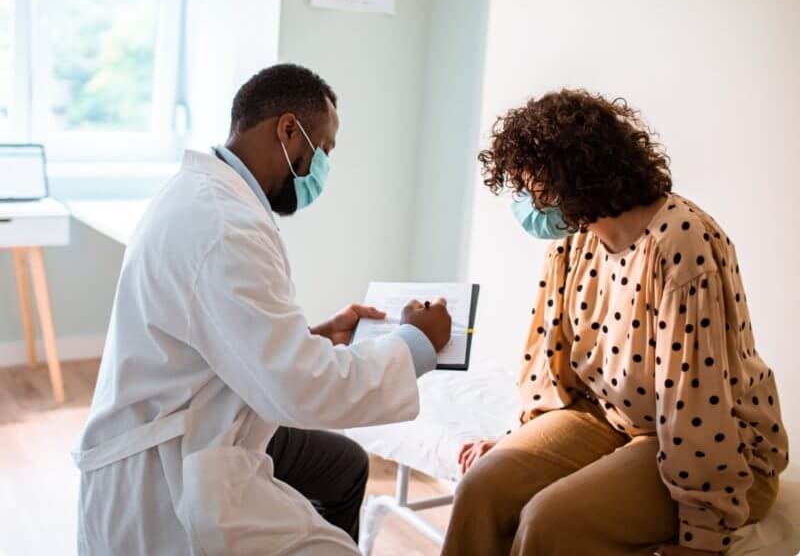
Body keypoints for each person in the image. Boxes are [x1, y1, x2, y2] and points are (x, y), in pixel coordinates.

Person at [73, 64, 452, 555]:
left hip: (206, 413)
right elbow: (301, 389)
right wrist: (416, 342)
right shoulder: (225, 226)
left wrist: (315, 336)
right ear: (288, 131)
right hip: (170, 464)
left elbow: (224, 333)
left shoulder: (204, 195)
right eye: (324, 151)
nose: (322, 171)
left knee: (342, 465)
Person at [443, 90, 789, 556]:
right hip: (608, 420)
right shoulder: (572, 242)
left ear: (575, 176)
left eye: (530, 186)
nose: (524, 202)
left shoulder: (682, 245)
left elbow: (695, 400)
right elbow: (550, 366)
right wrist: (519, 440)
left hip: (713, 445)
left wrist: (704, 536)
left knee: (550, 521)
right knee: (480, 491)